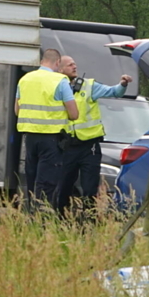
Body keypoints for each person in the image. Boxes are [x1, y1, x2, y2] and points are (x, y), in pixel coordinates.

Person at [53, 54, 132, 215]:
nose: (75, 66)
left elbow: (114, 92)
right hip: (67, 146)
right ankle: (61, 220)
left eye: (75, 64)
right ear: (59, 69)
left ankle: (89, 221)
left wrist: (123, 84)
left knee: (90, 188)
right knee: (63, 187)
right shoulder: (54, 88)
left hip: (90, 147)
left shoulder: (89, 86)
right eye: (70, 65)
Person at [16, 48, 79, 207]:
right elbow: (73, 114)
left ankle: (31, 214)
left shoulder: (25, 79)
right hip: (51, 139)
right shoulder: (59, 80)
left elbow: (17, 110)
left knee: (32, 178)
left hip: (29, 138)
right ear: (57, 63)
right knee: (47, 183)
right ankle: (43, 217)